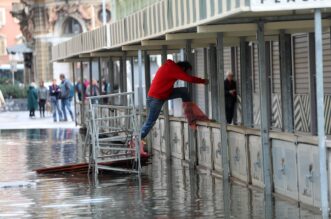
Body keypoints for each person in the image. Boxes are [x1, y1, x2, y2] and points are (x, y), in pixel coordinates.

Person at [141, 60, 209, 139]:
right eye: (186, 72)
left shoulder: (170, 67)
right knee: (150, 121)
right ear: (183, 68)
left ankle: (190, 114)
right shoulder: (174, 69)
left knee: (183, 91)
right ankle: (137, 139)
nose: (185, 74)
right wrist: (203, 81)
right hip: (156, 98)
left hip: (161, 94)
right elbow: (189, 79)